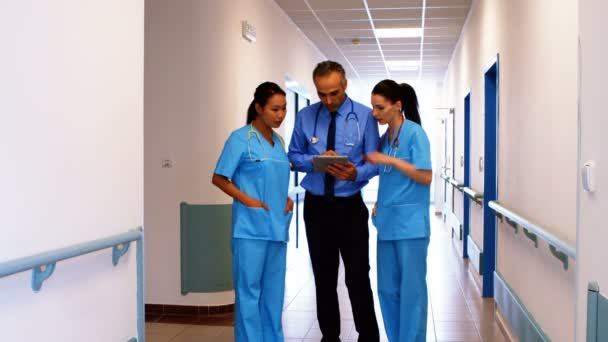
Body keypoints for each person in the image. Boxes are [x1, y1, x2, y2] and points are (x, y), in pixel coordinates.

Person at [288, 61, 380, 342]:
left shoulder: (364, 117)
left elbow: (374, 162)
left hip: (350, 207)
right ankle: (330, 337)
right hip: (316, 208)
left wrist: (356, 173)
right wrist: (316, 162)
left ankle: (368, 336)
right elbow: (293, 155)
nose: (328, 100)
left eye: (334, 93)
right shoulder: (305, 116)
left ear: (345, 85)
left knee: (357, 277)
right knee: (324, 278)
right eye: (322, 94)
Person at [212, 81, 294, 342]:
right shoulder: (241, 138)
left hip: (277, 228)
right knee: (249, 295)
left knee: (273, 295)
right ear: (259, 108)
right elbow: (219, 178)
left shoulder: (279, 142)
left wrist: (288, 198)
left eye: (283, 109)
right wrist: (248, 201)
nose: (280, 115)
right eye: (274, 109)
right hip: (250, 230)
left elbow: (278, 180)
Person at [365, 80, 433, 342]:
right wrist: (380, 204)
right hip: (387, 223)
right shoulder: (385, 139)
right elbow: (390, 179)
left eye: (380, 108)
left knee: (412, 291)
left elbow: (425, 176)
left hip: (412, 226)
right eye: (373, 107)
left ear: (397, 106)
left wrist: (389, 159)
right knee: (387, 290)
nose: (375, 113)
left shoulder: (415, 134)